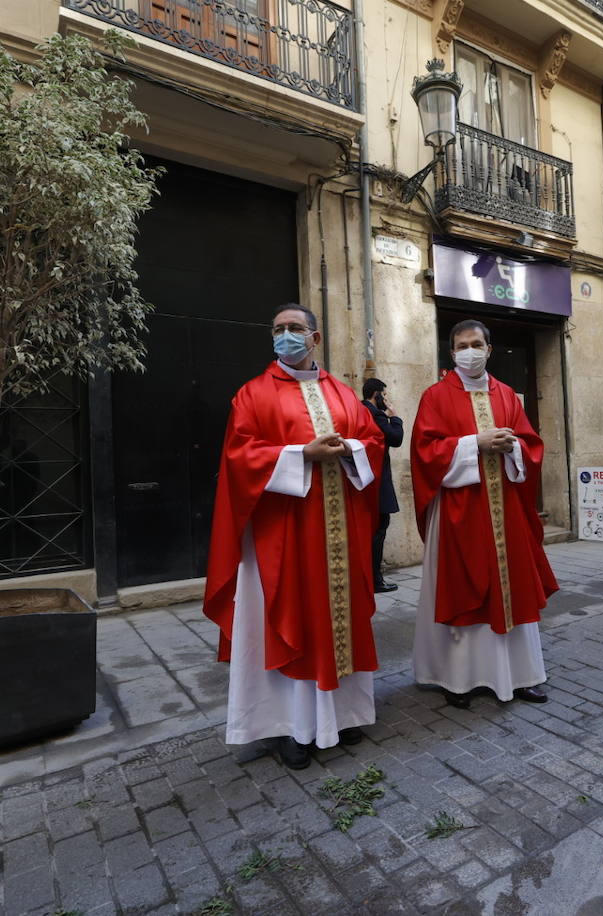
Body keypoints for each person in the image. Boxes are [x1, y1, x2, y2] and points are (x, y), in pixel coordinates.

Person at [203, 304, 386, 769]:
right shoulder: (253, 394)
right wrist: (299, 454)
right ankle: (289, 727)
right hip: (283, 537)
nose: (286, 336)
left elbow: (374, 441)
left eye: (295, 329)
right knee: (290, 621)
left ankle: (341, 716)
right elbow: (240, 456)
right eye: (279, 329)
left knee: (336, 620)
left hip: (337, 537)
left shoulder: (343, 394)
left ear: (315, 338)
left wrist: (352, 448)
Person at [410, 319, 558, 709]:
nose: (469, 351)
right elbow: (425, 453)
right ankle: (457, 679)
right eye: (462, 345)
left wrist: (513, 448)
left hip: (506, 511)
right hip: (460, 511)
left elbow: (531, 445)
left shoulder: (507, 394)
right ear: (452, 351)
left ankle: (522, 675)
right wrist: (474, 443)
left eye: (476, 343)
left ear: (489, 350)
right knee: (463, 587)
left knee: (514, 588)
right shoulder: (435, 396)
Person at [360, 378, 403, 593]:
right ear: (376, 394)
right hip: (378, 483)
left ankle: (369, 578)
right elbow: (396, 438)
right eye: (383, 395)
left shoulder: (360, 410)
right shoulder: (375, 414)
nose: (385, 399)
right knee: (379, 531)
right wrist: (394, 416)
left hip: (364, 481)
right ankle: (375, 580)